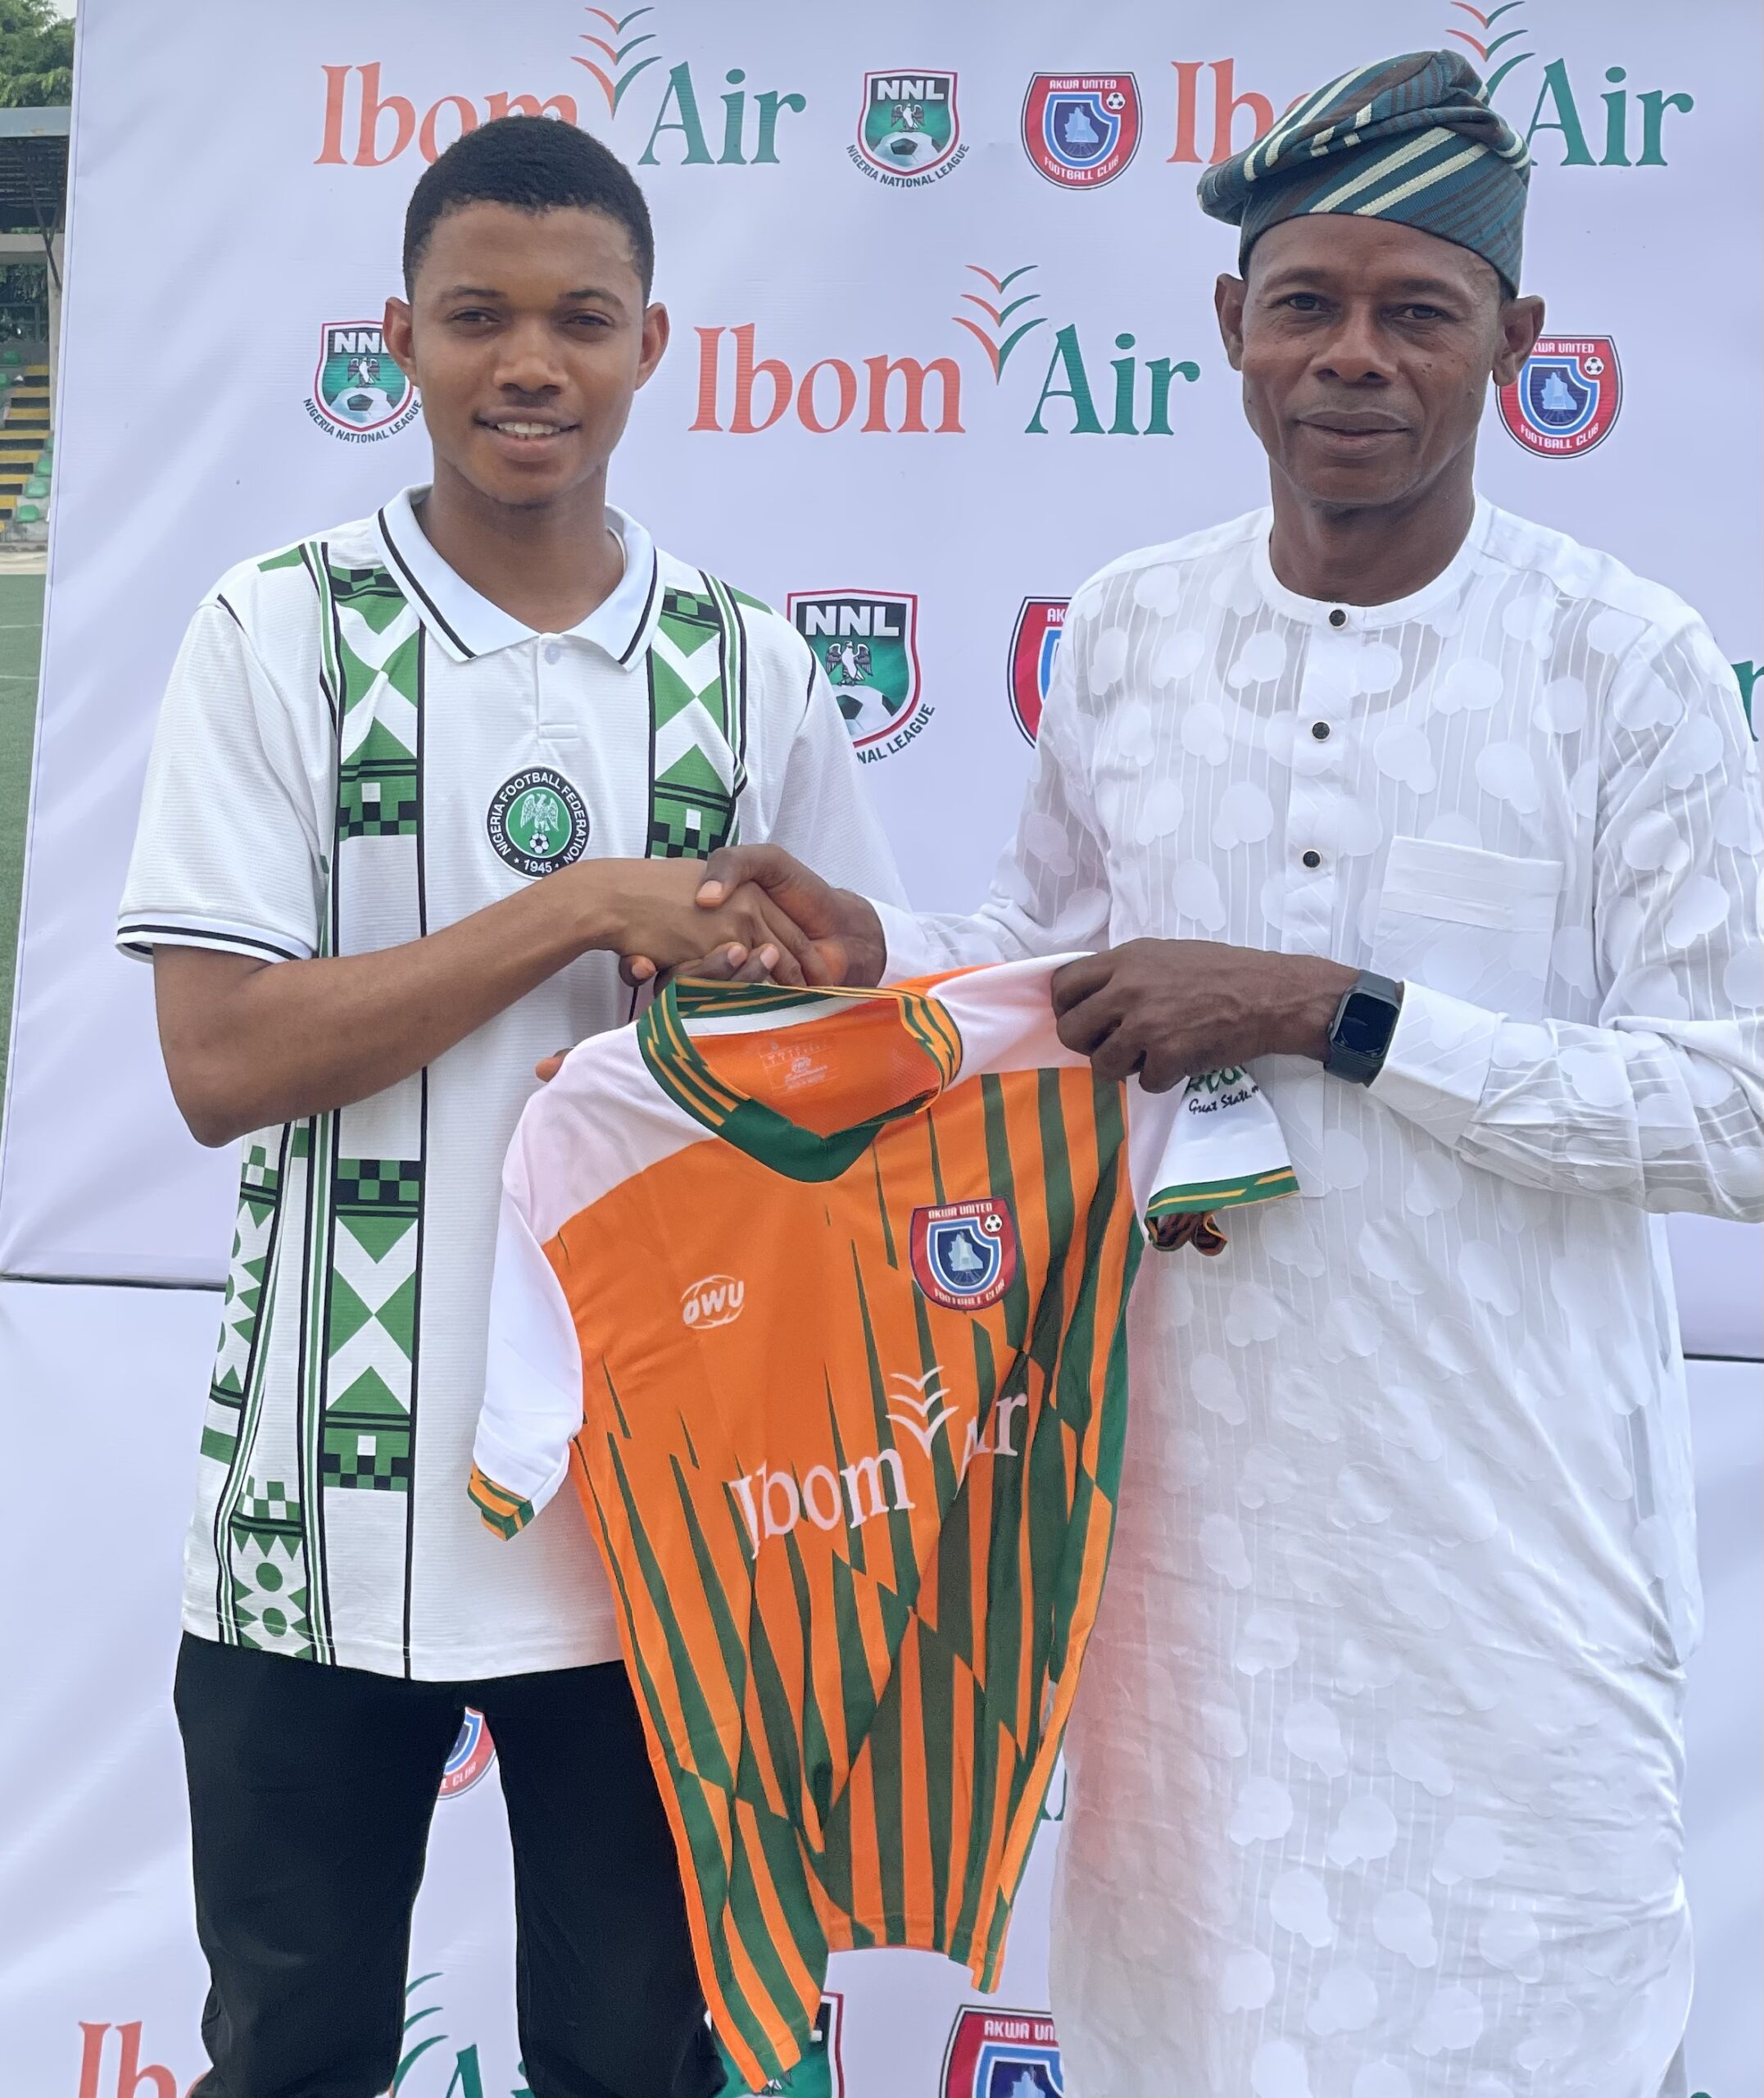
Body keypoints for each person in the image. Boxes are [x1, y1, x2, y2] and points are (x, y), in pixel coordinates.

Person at [683, 51, 1764, 2097]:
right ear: (1231, 331)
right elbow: (1049, 964)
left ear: (1517, 344)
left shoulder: (1626, 665)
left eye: (1419, 311)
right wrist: (869, 962)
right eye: (1310, 305)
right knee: (1192, 2033)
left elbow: (1737, 1108)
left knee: (1532, 2031)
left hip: (1506, 1529)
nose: (1357, 360)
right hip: (1183, 1535)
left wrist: (1340, 1009)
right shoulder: (1132, 627)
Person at [116, 116, 898, 2098]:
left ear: (657, 348)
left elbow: (855, 1044)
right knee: (289, 2056)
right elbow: (219, 1064)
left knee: (642, 2064)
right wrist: (575, 908)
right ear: (401, 337)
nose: (526, 362)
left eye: (579, 319)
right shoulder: (272, 629)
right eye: (476, 317)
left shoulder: (749, 664)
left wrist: (781, 981)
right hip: (321, 1505)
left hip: (656, 1526)